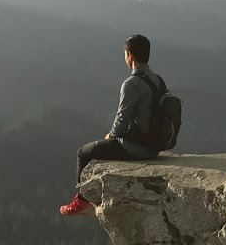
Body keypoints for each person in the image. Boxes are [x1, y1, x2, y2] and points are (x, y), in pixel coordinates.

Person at [59, 34, 162, 216]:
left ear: (130, 55)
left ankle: (82, 201)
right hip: (154, 146)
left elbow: (122, 119)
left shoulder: (132, 83)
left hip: (136, 148)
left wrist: (111, 135)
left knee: (83, 153)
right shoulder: (157, 80)